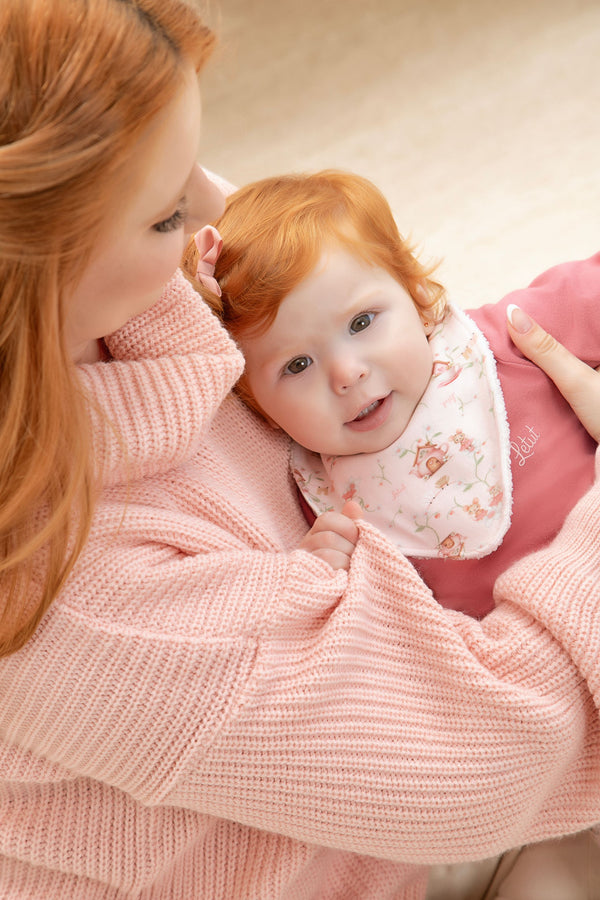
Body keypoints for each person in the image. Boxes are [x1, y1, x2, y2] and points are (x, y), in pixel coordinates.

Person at [1, 3, 600, 899]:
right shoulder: (70, 600)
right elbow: (485, 762)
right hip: (392, 842)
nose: (219, 210)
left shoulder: (127, 304)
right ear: (35, 268)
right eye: (168, 213)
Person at [182, 170, 599, 618]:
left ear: (417, 293)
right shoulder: (330, 508)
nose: (347, 373)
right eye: (297, 365)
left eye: (362, 322)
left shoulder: (508, 341)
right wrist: (323, 573)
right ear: (260, 411)